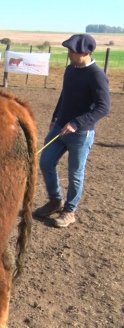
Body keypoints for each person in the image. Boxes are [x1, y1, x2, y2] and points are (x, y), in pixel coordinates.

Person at [34, 33, 111, 228]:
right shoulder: (70, 70)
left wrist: (76, 123)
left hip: (80, 133)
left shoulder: (97, 75)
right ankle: (55, 200)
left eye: (72, 51)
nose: (69, 53)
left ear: (85, 52)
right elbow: (64, 96)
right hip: (60, 127)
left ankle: (69, 210)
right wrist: (55, 118)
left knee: (75, 173)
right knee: (46, 162)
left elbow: (104, 107)